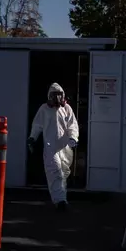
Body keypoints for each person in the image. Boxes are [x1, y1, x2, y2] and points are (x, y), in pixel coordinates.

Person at [27, 83, 79, 211]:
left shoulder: (66, 109)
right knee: (55, 173)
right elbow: (37, 125)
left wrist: (73, 137)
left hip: (65, 147)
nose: (57, 98)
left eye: (59, 95)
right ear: (49, 96)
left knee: (63, 174)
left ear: (63, 96)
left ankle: (62, 198)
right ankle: (60, 201)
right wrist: (32, 137)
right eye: (54, 95)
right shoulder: (44, 109)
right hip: (51, 148)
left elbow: (73, 125)